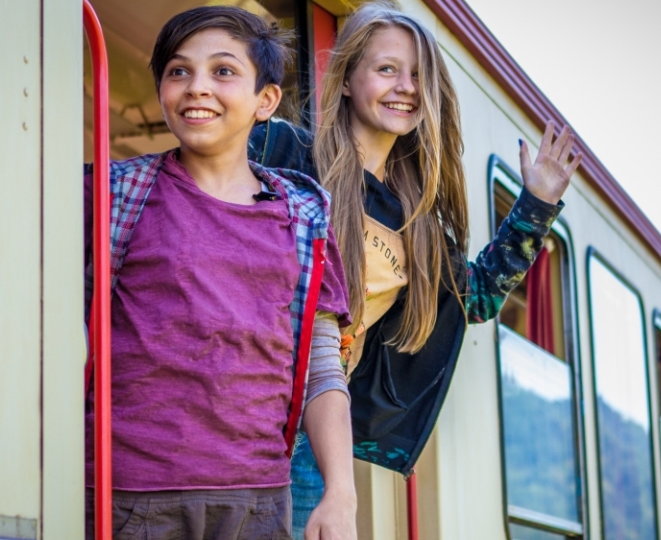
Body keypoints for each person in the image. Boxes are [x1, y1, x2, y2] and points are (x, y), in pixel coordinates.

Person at [248, 2, 582, 535]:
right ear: (348, 79)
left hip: (311, 437)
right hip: (232, 411)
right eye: (387, 69)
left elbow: (476, 298)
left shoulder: (418, 224)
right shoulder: (282, 149)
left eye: (419, 77)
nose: (406, 86)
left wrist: (535, 206)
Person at [82, 7, 357, 539]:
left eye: (223, 71)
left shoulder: (303, 215)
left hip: (257, 500)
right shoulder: (116, 193)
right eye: (178, 71)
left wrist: (340, 492)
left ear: (265, 101)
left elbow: (323, 366)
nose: (196, 88)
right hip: (127, 494)